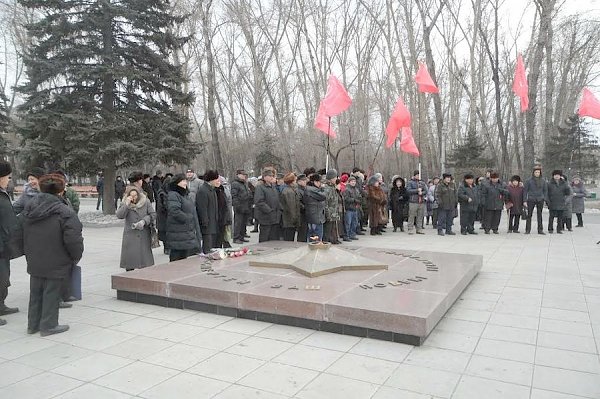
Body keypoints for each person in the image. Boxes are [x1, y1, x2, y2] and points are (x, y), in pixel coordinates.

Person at [22, 173, 84, 336]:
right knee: (51, 291)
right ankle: (48, 325)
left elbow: (20, 231)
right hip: (57, 258)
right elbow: (73, 239)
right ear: (61, 191)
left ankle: (33, 324)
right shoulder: (65, 212)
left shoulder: (29, 207)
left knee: (35, 291)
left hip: (34, 257)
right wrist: (75, 256)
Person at [116, 185, 155, 271]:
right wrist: (126, 204)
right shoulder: (125, 203)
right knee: (130, 262)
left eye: (135, 195)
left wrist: (144, 221)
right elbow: (119, 215)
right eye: (131, 195)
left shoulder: (146, 202)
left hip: (143, 234)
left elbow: (153, 214)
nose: (134, 197)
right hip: (130, 235)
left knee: (144, 263)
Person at [0, 160, 19, 326]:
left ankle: (1, 305)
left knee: (4, 277)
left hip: (5, 245)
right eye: (8, 177)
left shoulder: (2, 193)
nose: (9, 180)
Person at [166, 174, 202, 261]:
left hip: (185, 232)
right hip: (177, 232)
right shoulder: (174, 194)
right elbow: (174, 211)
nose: (185, 183)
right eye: (182, 181)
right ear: (176, 183)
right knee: (176, 259)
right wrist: (187, 218)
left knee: (184, 258)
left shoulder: (185, 195)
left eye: (185, 181)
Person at [254, 169, 282, 242]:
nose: (272, 177)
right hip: (265, 218)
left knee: (274, 238)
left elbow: (277, 199)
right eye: (270, 176)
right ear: (264, 177)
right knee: (265, 238)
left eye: (272, 176)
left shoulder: (273, 187)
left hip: (275, 217)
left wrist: (279, 210)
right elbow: (259, 201)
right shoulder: (260, 187)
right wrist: (269, 210)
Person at [196, 170, 219, 253]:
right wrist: (205, 222)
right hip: (207, 224)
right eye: (216, 179)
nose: (218, 181)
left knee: (212, 245)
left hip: (212, 221)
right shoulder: (203, 191)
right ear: (211, 179)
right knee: (208, 246)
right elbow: (202, 208)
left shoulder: (211, 189)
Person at [523, 166, 548, 235]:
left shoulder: (543, 180)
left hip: (540, 199)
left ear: (540, 173)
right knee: (529, 215)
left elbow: (545, 190)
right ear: (533, 173)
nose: (537, 173)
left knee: (539, 215)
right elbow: (525, 191)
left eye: (538, 172)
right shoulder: (529, 181)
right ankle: (527, 230)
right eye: (536, 172)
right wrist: (524, 200)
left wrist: (544, 198)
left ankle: (540, 230)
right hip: (531, 199)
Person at [303, 173, 326, 241]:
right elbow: (323, 196)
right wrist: (323, 188)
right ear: (315, 182)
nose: (320, 184)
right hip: (316, 217)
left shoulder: (309, 189)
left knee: (312, 236)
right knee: (316, 237)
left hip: (313, 216)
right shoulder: (312, 190)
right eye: (319, 182)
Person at [231, 170, 251, 244]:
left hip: (245, 205)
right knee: (238, 223)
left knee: (243, 223)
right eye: (242, 174)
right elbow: (234, 196)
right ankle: (236, 237)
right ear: (238, 175)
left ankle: (241, 236)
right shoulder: (235, 184)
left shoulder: (244, 183)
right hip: (239, 206)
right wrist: (237, 205)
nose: (244, 176)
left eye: (244, 175)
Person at [406, 170, 428, 234]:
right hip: (413, 201)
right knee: (411, 216)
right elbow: (408, 191)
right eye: (417, 175)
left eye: (419, 175)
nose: (418, 176)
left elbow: (426, 191)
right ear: (414, 175)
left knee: (420, 216)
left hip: (421, 202)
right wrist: (417, 190)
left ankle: (419, 228)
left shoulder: (422, 183)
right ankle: (410, 228)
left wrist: (422, 193)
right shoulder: (410, 182)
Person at [323, 169, 341, 244]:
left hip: (333, 213)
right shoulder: (327, 189)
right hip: (329, 214)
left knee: (333, 228)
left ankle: (334, 239)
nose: (336, 179)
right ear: (330, 179)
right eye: (334, 178)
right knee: (327, 231)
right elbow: (325, 203)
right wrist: (327, 215)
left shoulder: (333, 187)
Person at [280, 173, 299, 241]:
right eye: (295, 180)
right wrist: (295, 219)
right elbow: (292, 207)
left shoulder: (289, 190)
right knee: (289, 239)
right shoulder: (289, 192)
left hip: (288, 219)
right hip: (289, 220)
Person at [215, 176, 233, 248]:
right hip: (221, 213)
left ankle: (226, 242)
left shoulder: (224, 189)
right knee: (223, 230)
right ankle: (225, 242)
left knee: (226, 228)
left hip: (226, 211)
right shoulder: (218, 190)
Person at [156, 175, 172, 255]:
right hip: (164, 218)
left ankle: (167, 248)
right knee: (166, 233)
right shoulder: (163, 194)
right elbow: (164, 207)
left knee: (166, 233)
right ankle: (167, 248)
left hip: (163, 218)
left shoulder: (161, 193)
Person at [343, 175, 361, 240]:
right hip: (349, 209)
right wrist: (354, 200)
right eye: (352, 181)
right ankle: (346, 235)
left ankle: (352, 235)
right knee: (348, 223)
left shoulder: (356, 189)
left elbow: (359, 196)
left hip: (355, 208)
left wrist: (358, 200)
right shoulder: (346, 189)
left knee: (354, 223)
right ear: (349, 182)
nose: (353, 182)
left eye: (354, 181)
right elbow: (346, 199)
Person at [295, 174, 309, 242]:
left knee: (305, 232)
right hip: (301, 214)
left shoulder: (304, 189)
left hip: (305, 214)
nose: (305, 182)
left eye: (305, 180)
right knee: (302, 233)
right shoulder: (298, 190)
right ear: (299, 181)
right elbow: (298, 202)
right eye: (303, 180)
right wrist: (305, 207)